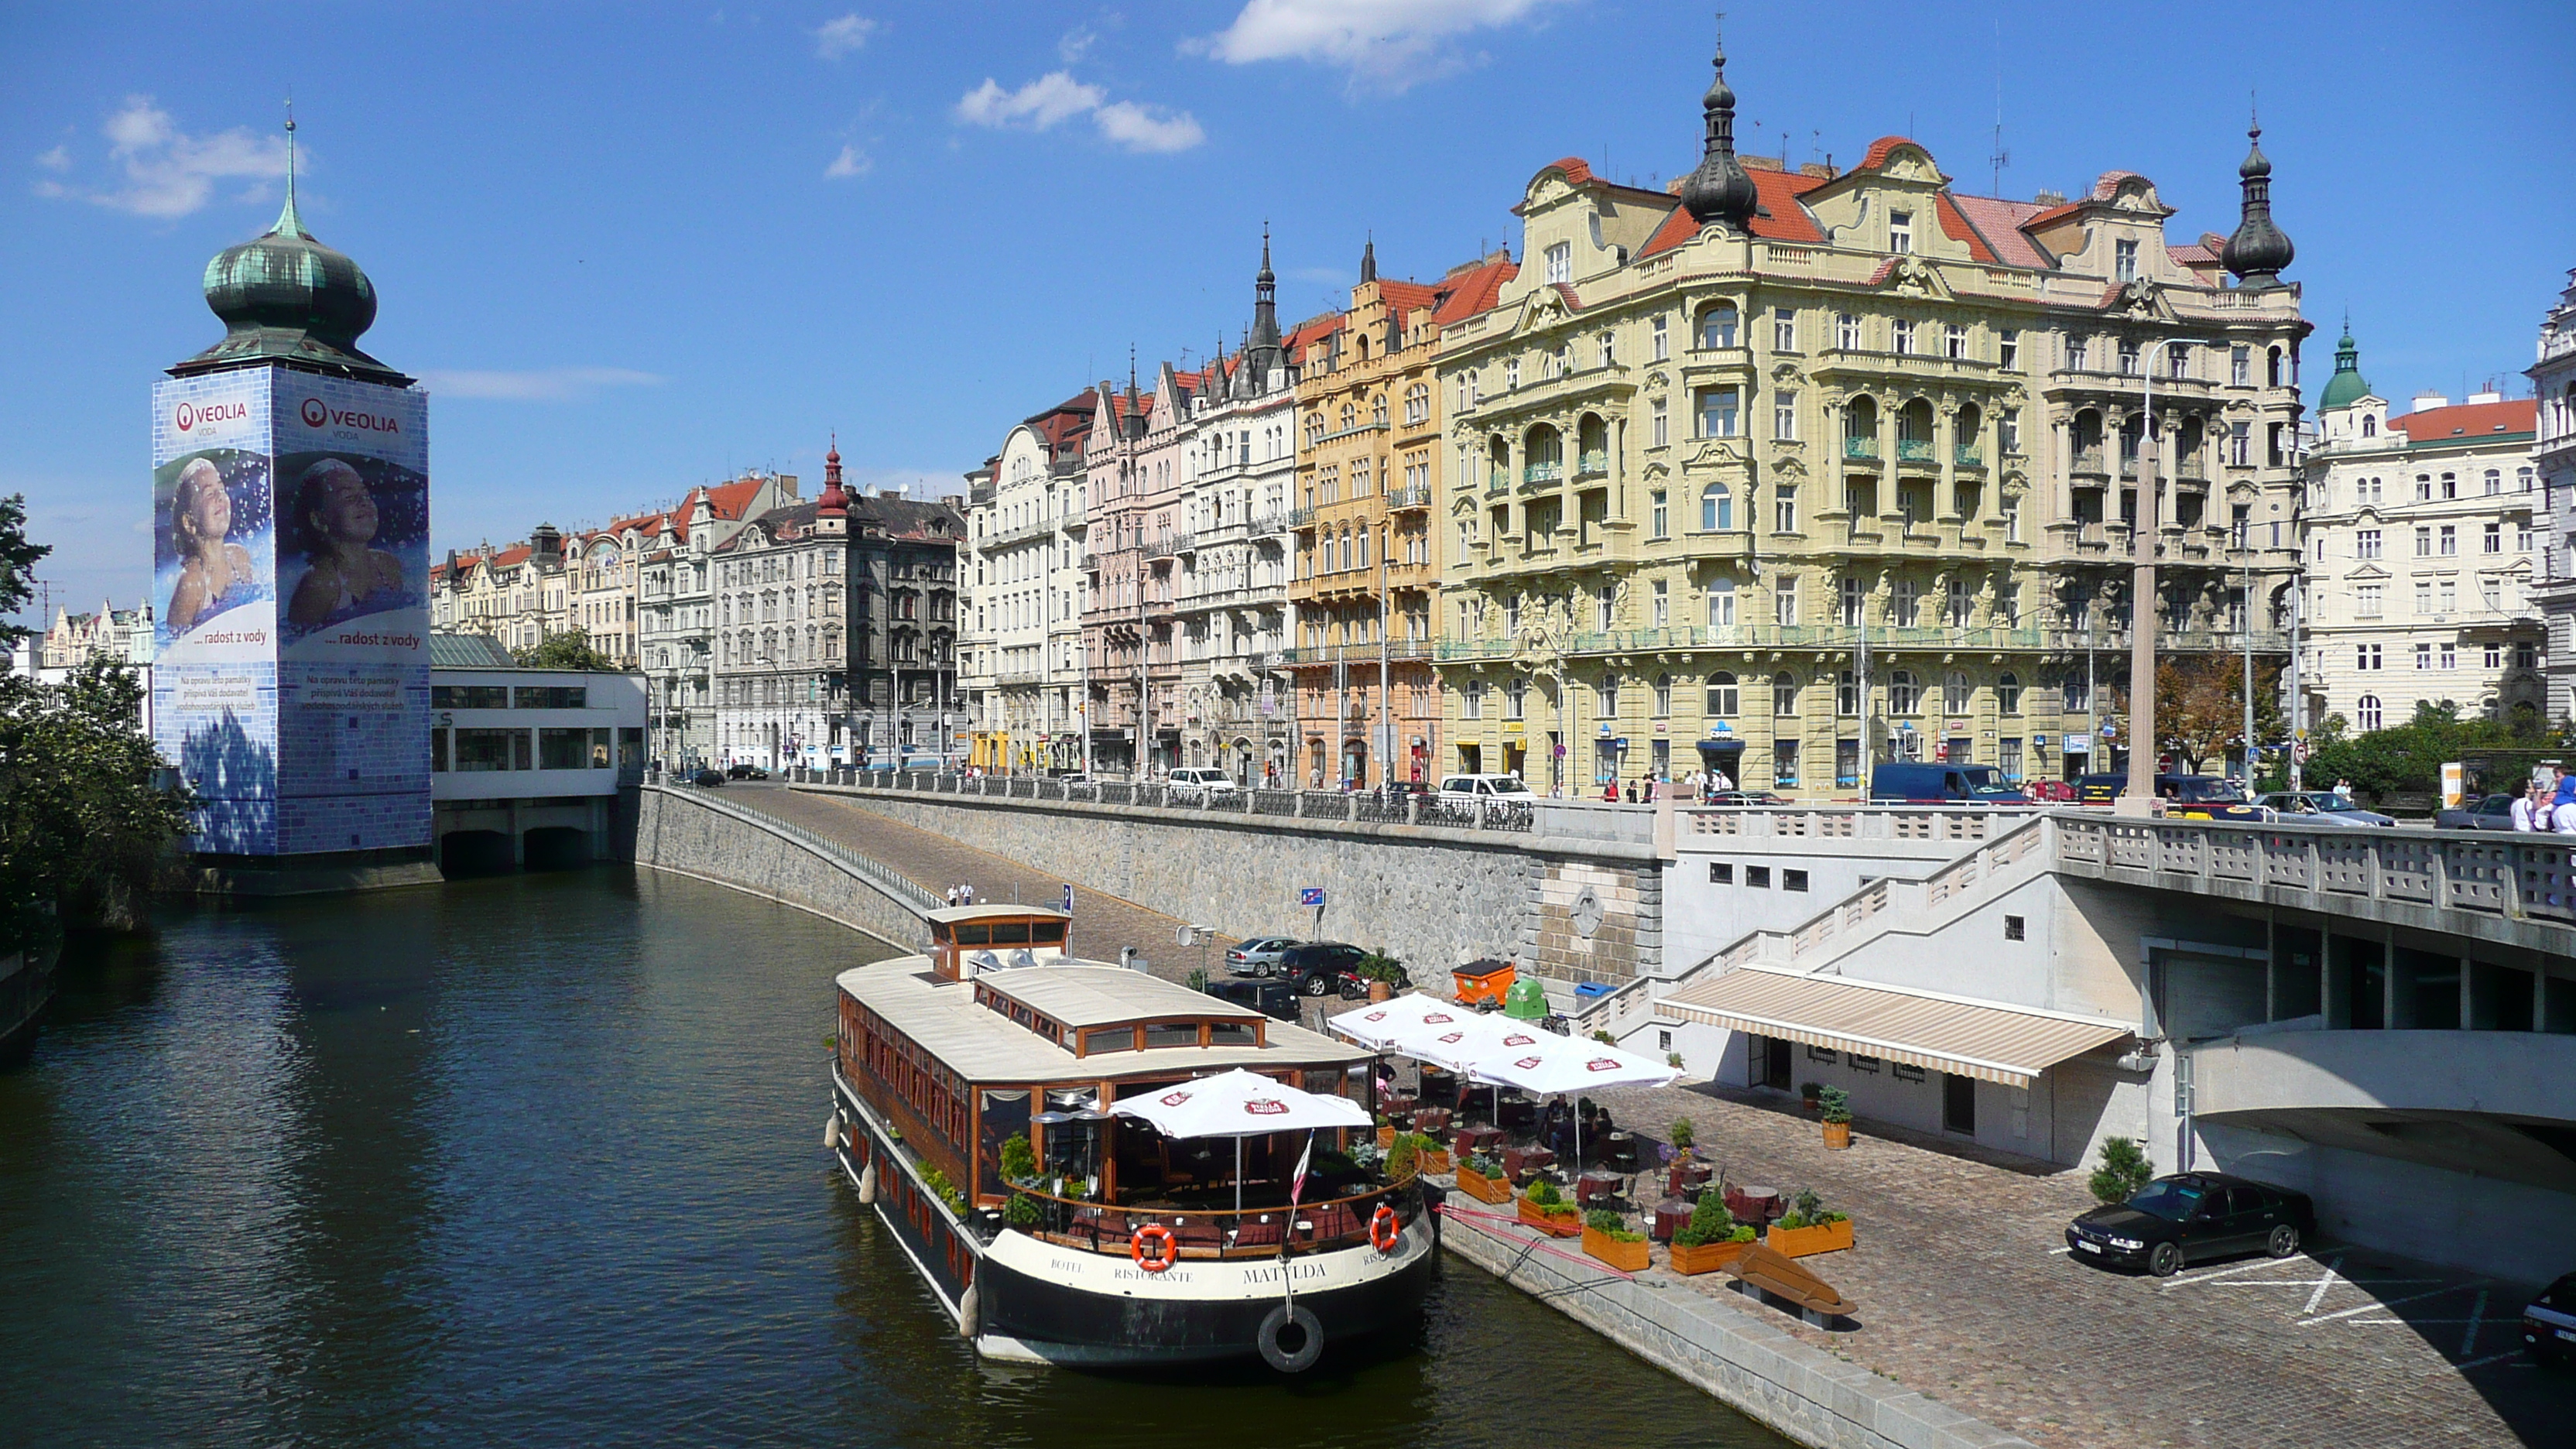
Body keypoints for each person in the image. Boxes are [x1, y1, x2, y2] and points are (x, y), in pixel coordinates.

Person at [286, 457, 408, 630]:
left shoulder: (387, 566)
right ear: (319, 519)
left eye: (366, 494)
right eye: (349, 497)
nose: (364, 502)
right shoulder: (319, 584)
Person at [165, 457, 260, 633]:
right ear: (189, 522)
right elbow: (175, 646)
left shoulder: (239, 558)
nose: (219, 497)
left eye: (221, 489)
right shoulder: (192, 581)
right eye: (209, 493)